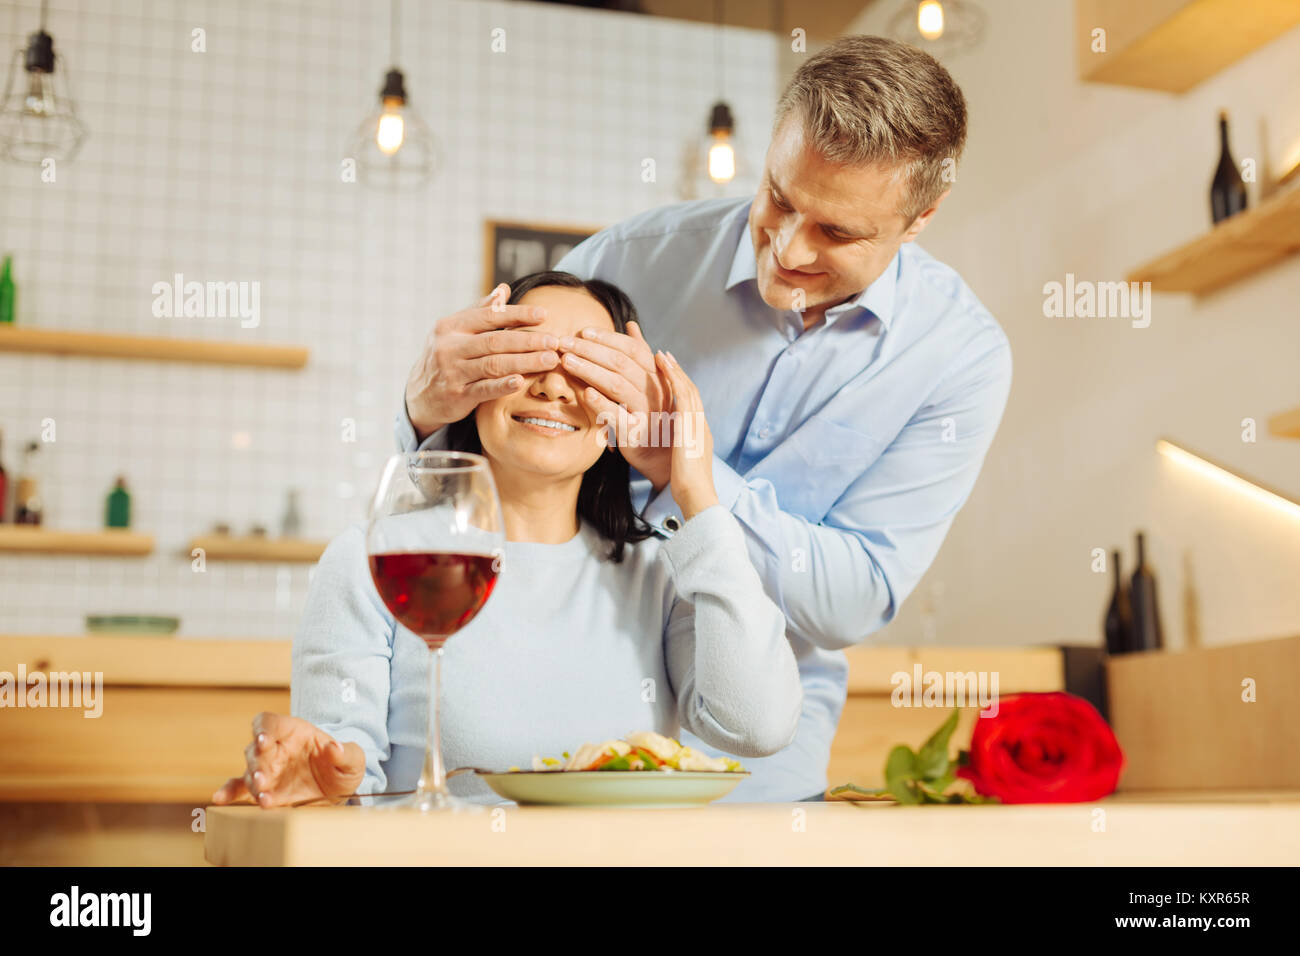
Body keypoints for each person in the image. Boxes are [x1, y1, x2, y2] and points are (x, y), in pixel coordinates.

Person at [398, 36, 1014, 802]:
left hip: (758, 758)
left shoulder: (959, 359)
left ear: (920, 218)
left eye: (837, 232)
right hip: (567, 720)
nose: (789, 249)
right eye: (781, 199)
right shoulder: (628, 262)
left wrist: (689, 476)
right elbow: (485, 452)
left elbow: (854, 598)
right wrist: (424, 411)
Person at [212, 272, 802, 808]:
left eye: (587, 365)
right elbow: (340, 773)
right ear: (478, 376)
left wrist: (692, 489)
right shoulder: (376, 562)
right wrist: (323, 781)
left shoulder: (664, 572)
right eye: (529, 354)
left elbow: (756, 725)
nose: (552, 386)